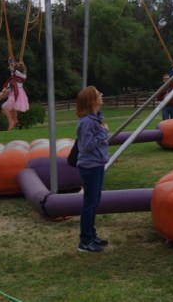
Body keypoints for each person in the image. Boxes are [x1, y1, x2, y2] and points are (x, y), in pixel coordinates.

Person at [75, 86, 110, 253]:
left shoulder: (94, 118)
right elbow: (88, 145)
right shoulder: (87, 122)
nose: (101, 94)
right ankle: (85, 241)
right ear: (91, 100)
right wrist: (103, 133)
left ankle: (91, 235)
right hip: (90, 166)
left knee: (94, 201)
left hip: (97, 164)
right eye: (98, 93)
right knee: (90, 203)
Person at [1, 60, 29, 130]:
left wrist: (11, 62)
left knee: (5, 108)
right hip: (16, 92)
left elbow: (13, 69)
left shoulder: (18, 73)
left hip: (17, 92)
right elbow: (12, 69)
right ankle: (15, 119)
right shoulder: (18, 74)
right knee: (13, 107)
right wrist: (11, 61)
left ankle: (11, 121)